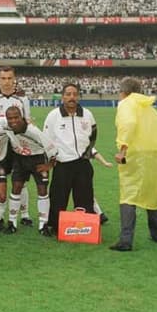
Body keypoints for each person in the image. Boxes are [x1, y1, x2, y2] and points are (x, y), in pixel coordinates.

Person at [110, 77, 157, 251]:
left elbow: (129, 123)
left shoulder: (126, 104)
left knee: (129, 193)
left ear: (123, 92)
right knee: (153, 194)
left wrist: (123, 149)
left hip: (137, 154)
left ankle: (125, 240)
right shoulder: (149, 108)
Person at [43, 83, 97, 235]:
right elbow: (47, 140)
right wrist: (53, 159)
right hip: (63, 164)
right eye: (68, 94)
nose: (71, 97)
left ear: (78, 96)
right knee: (58, 197)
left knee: (85, 196)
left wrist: (86, 153)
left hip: (83, 163)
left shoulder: (87, 114)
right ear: (63, 97)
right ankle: (54, 226)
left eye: (74, 94)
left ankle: (86, 227)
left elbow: (93, 135)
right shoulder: (53, 115)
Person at [0, 106, 57, 235]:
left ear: (22, 117)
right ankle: (12, 222)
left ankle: (43, 224)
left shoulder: (34, 132)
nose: (13, 121)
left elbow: (53, 150)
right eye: (10, 118)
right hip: (20, 159)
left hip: (38, 159)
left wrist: (49, 165)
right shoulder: (4, 124)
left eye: (16, 117)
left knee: (42, 190)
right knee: (16, 187)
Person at [0, 66, 33, 227]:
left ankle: (25, 214)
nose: (6, 82)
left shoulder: (22, 100)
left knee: (22, 182)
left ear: (14, 79)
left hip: (18, 146)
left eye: (9, 78)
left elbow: (28, 122)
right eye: (3, 78)